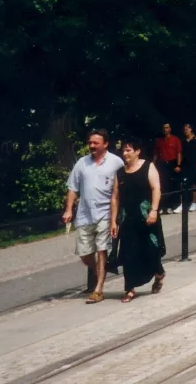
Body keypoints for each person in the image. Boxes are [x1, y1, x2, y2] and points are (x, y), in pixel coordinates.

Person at [62, 129, 124, 304]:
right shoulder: (82, 163)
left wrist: (116, 217)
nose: (91, 146)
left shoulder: (116, 162)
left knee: (102, 250)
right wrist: (68, 209)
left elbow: (121, 189)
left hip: (105, 213)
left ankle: (98, 290)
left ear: (105, 144)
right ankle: (99, 271)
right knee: (84, 253)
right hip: (84, 214)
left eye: (95, 143)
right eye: (90, 143)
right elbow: (72, 188)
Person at [110, 138, 166, 303]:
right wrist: (113, 221)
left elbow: (156, 189)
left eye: (128, 150)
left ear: (137, 151)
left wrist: (154, 210)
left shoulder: (148, 166)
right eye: (123, 150)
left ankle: (159, 274)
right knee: (128, 254)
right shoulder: (120, 173)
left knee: (151, 250)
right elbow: (115, 197)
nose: (125, 153)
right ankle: (130, 289)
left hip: (147, 217)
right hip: (128, 219)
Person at [153, 123, 182, 214]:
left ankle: (171, 205)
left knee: (172, 185)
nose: (165, 130)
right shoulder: (159, 141)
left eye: (167, 128)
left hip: (172, 163)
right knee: (163, 185)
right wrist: (153, 165)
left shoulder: (175, 139)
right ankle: (162, 206)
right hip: (162, 164)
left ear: (170, 129)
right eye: (164, 128)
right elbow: (156, 154)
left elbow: (179, 153)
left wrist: (178, 165)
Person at [181, 123, 196, 212]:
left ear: (191, 129)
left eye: (187, 129)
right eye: (184, 130)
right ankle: (183, 203)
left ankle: (194, 203)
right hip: (186, 163)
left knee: (194, 183)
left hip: (194, 163)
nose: (186, 131)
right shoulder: (184, 141)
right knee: (184, 183)